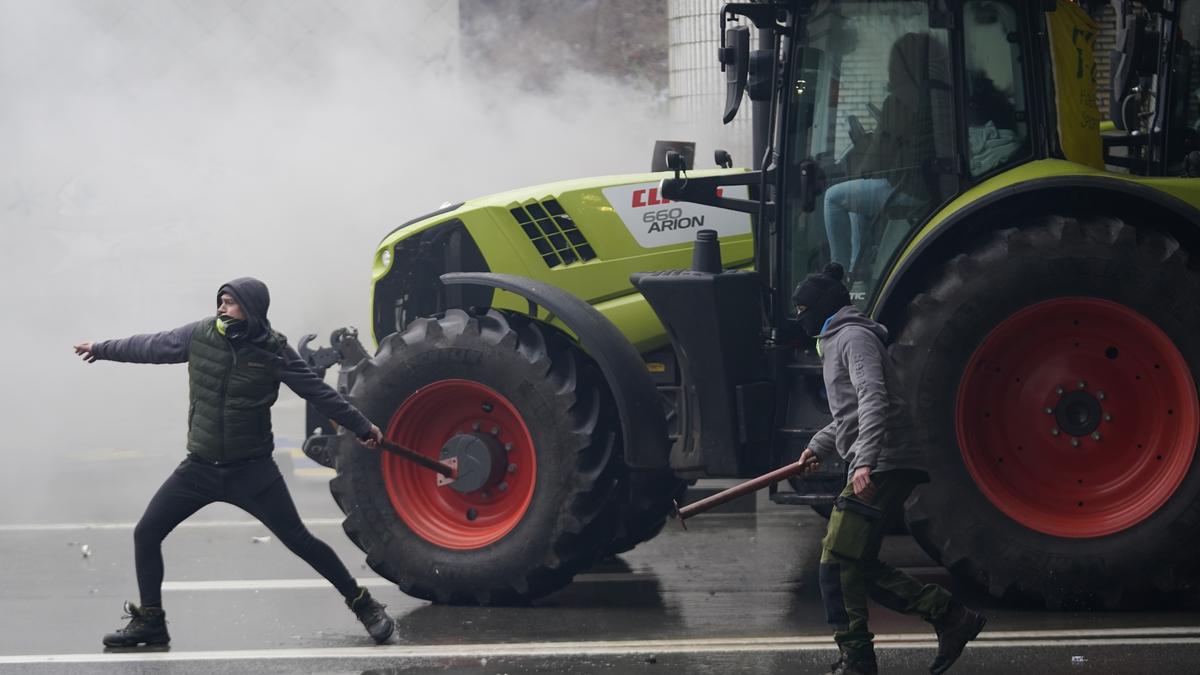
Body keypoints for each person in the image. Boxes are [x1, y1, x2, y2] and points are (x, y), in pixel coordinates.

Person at [74, 277, 394, 648]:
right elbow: (150, 346)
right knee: (146, 532)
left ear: (251, 308)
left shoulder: (274, 351)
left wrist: (361, 426)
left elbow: (317, 392)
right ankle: (151, 622)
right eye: (220, 302)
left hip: (252, 471)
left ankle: (364, 604)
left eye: (230, 302)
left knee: (300, 541)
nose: (222, 309)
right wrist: (102, 348)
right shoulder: (200, 336)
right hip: (200, 468)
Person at [792, 263, 985, 675]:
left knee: (836, 561)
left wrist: (864, 461)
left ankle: (858, 659)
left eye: (802, 309)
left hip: (885, 461)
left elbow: (874, 399)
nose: (798, 318)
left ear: (820, 308)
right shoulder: (839, 339)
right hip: (879, 458)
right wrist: (819, 447)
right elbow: (850, 413)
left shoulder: (853, 338)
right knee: (856, 562)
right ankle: (951, 617)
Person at [824, 32, 945, 278]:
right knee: (857, 201)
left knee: (833, 197)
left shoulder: (897, 102)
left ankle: (839, 274)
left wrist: (859, 170)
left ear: (900, 64)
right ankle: (858, 269)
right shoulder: (937, 95)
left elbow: (877, 159)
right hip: (934, 185)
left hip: (909, 188)